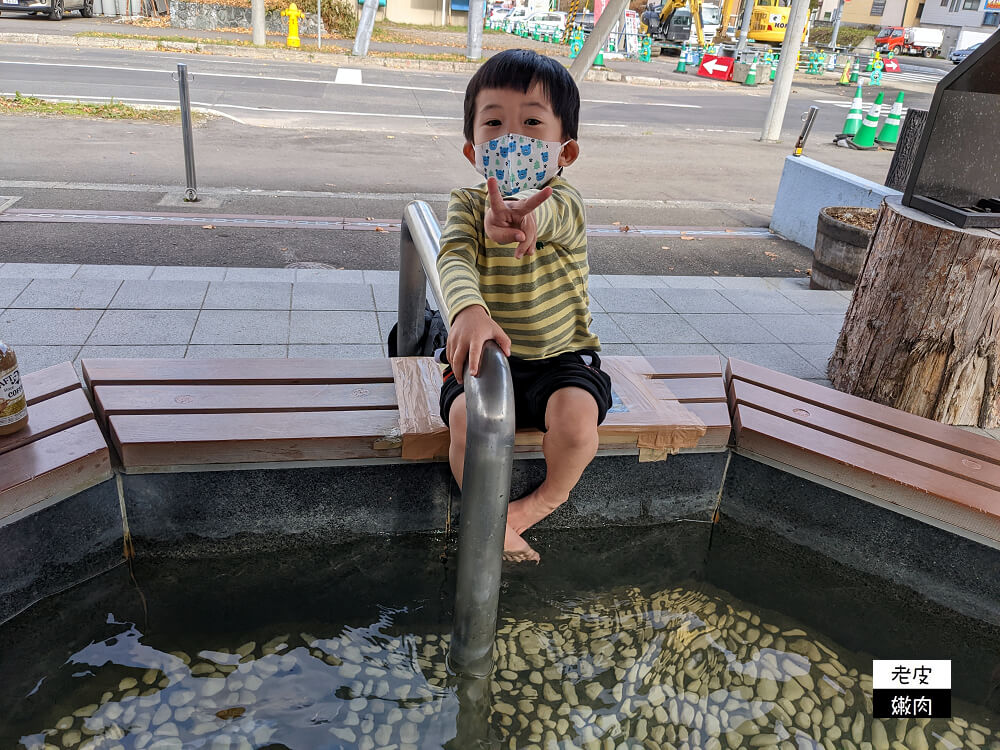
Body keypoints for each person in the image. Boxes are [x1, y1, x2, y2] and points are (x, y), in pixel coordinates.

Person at [436, 49, 613, 564]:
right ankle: (486, 511)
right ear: (473, 150)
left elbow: (548, 217)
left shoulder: (566, 202)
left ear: (566, 151)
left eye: (532, 121)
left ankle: (537, 504)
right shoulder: (467, 205)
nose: (512, 136)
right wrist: (468, 310)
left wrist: (523, 219)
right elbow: (454, 258)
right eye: (494, 122)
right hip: (489, 359)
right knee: (468, 419)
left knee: (579, 423)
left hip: (562, 359)